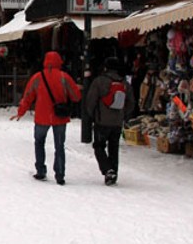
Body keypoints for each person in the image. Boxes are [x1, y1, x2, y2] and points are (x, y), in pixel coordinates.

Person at [11, 51, 82, 185]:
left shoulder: (38, 77)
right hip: (59, 116)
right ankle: (60, 174)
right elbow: (76, 97)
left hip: (42, 116)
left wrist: (21, 112)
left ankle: (41, 170)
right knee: (59, 145)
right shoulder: (64, 77)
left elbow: (28, 96)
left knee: (39, 142)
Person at [83, 57, 136, 186]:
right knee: (114, 147)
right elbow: (131, 103)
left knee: (99, 146)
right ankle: (113, 173)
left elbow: (90, 101)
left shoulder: (99, 82)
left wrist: (93, 115)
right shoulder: (124, 83)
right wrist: (123, 114)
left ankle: (107, 169)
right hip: (117, 122)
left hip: (102, 121)